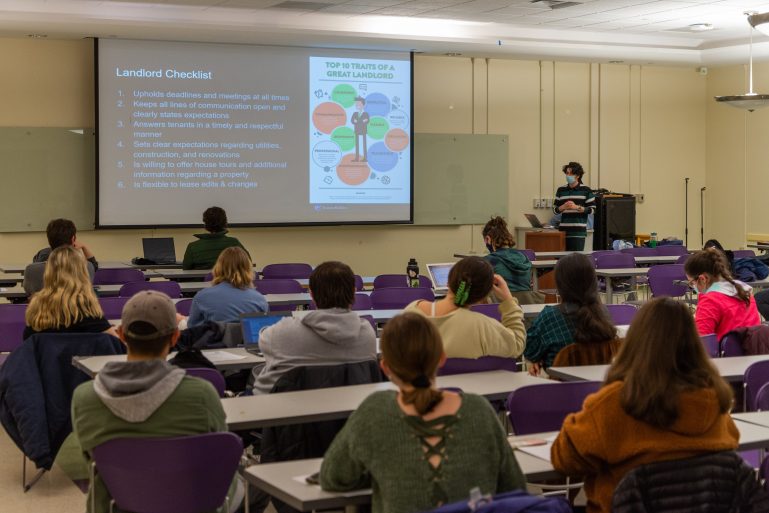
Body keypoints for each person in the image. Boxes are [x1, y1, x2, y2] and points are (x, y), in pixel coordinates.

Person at [320, 313, 525, 513]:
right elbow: (515, 488)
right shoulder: (479, 410)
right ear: (442, 358)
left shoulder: (374, 412)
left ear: (385, 367)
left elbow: (333, 477)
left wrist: (381, 472)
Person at [551, 298, 739, 513]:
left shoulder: (614, 403)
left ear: (635, 341)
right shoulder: (713, 403)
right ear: (695, 344)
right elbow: (730, 447)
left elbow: (563, 458)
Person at [69, 290, 242, 513]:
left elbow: (91, 460)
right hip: (189, 504)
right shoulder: (201, 394)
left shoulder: (85, 398)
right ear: (175, 337)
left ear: (121, 335)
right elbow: (217, 457)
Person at [251, 261, 376, 394]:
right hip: (350, 406)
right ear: (354, 292)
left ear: (311, 294)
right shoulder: (367, 333)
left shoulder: (284, 332)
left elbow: (263, 343)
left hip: (290, 406)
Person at [404, 256, 526, 359]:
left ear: (448, 281)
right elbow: (517, 344)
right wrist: (509, 301)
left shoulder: (412, 312)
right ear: (483, 297)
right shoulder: (482, 327)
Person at [523, 253, 617, 374]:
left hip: (560, 384)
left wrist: (541, 358)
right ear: (593, 281)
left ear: (560, 284)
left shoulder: (549, 317)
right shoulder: (603, 314)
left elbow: (530, 352)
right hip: (600, 383)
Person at [23, 245, 115, 340]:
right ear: (82, 273)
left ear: (48, 272)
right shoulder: (87, 307)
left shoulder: (36, 306)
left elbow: (28, 341)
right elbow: (114, 341)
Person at [685, 248, 760, 340]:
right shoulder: (743, 289)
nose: (692, 286)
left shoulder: (710, 300)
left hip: (724, 349)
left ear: (703, 279)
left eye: (692, 283)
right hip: (753, 348)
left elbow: (702, 341)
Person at [187, 247, 268, 327]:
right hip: (246, 336)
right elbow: (263, 330)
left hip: (215, 335)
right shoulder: (259, 299)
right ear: (248, 269)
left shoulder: (202, 297)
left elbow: (192, 328)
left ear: (218, 267)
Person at [23, 218, 98, 296]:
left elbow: (29, 292)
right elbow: (93, 266)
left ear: (49, 240)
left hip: (45, 304)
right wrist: (84, 247)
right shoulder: (87, 267)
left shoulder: (31, 270)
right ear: (73, 239)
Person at [482, 216, 544, 305]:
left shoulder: (488, 261)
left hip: (501, 308)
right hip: (527, 306)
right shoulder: (524, 257)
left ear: (488, 239)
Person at [182, 206, 248, 270]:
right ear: (225, 223)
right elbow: (248, 263)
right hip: (228, 277)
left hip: (201, 278)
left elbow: (185, 271)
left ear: (205, 224)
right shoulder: (234, 243)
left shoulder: (193, 247)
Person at [553, 162, 595, 251]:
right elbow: (554, 210)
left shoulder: (586, 190)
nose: (568, 176)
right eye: (567, 173)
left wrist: (576, 207)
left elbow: (592, 210)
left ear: (578, 175)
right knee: (562, 258)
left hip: (578, 233)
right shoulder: (561, 190)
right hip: (563, 233)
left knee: (576, 258)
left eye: (571, 174)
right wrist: (563, 207)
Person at [351, 96, 369, 162]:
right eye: (356, 104)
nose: (357, 105)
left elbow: (367, 121)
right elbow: (352, 121)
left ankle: (365, 158)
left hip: (363, 130)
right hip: (357, 130)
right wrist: (361, 121)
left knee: (364, 144)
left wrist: (357, 121)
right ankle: (357, 158)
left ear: (363, 105)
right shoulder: (355, 113)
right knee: (357, 145)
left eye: (359, 104)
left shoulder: (366, 114)